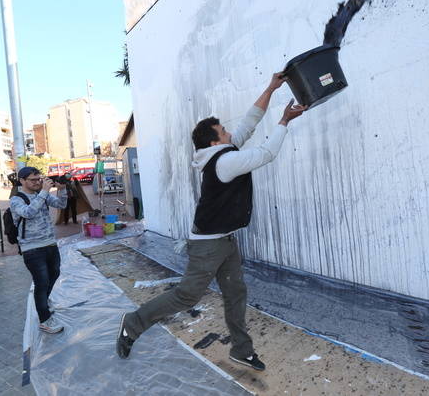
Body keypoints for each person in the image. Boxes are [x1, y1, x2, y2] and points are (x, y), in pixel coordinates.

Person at [116, 73, 307, 370]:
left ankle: (241, 350)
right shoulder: (225, 162)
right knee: (186, 296)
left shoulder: (222, 150)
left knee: (235, 293)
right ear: (214, 140)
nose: (230, 131)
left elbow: (250, 121)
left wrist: (271, 87)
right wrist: (284, 121)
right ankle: (133, 323)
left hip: (226, 241)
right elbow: (267, 153)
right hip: (209, 246)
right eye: (224, 130)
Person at [10, 167, 67, 334]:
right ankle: (45, 319)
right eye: (33, 180)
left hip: (50, 243)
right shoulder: (16, 199)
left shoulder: (41, 194)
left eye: (39, 179)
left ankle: (44, 302)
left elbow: (61, 204)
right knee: (41, 283)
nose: (37, 182)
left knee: (54, 274)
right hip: (32, 248)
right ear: (22, 181)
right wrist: (44, 192)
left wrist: (62, 190)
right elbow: (28, 212)